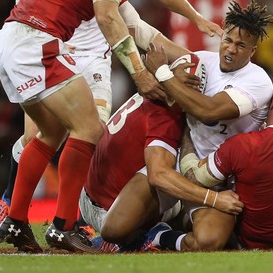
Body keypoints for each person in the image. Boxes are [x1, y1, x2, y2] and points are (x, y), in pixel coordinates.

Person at [0, 0, 221, 247]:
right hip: (41, 45)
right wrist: (140, 73)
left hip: (11, 42)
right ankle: (63, 225)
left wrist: (194, 19)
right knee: (89, 130)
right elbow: (109, 15)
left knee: (50, 135)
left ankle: (16, 220)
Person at [143, 0, 273, 251]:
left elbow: (207, 111)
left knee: (208, 242)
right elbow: (151, 41)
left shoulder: (258, 81)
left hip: (220, 180)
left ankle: (160, 235)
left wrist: (163, 74)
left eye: (241, 45)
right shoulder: (200, 60)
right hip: (182, 166)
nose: (230, 49)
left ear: (253, 51)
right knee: (116, 227)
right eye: (227, 40)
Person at [78, 55, 244, 253]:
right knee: (174, 172)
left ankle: (172, 223)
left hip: (91, 196)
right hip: (108, 214)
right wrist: (214, 199)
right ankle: (156, 235)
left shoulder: (154, 88)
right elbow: (159, 175)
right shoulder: (167, 113)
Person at [157, 78, 273, 251]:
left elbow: (195, 176)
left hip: (250, 241)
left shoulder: (244, 145)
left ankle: (170, 230)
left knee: (223, 190)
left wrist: (188, 133)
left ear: (272, 102)